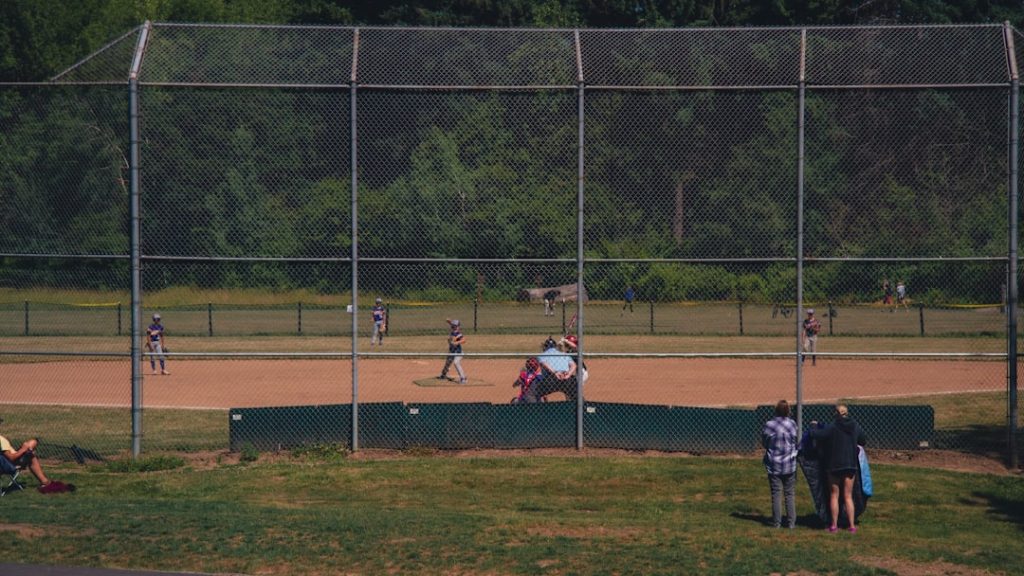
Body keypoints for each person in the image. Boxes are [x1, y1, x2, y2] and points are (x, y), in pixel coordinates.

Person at [810, 405, 867, 533]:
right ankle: (852, 526)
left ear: (836, 414)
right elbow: (863, 440)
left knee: (834, 495)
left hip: (834, 465)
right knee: (848, 496)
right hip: (850, 465)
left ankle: (834, 525)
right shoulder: (854, 426)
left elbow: (816, 435)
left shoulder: (832, 427)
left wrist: (813, 425)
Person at [0, 419, 73, 493]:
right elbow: (11, 458)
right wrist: (23, 449)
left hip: (7, 461)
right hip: (10, 464)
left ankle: (45, 481)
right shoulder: (1, 440)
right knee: (31, 455)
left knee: (32, 442)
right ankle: (45, 482)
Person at [762, 400, 799, 529]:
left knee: (776, 494)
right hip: (789, 463)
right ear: (788, 411)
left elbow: (765, 441)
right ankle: (791, 523)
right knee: (790, 494)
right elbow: (795, 440)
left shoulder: (769, 425)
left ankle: (777, 523)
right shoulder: (792, 424)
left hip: (774, 464)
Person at [438, 318, 467, 384]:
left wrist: (457, 342)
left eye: (456, 326)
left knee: (456, 363)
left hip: (458, 353)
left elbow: (464, 340)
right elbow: (452, 323)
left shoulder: (458, 334)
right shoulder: (453, 331)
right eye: (453, 326)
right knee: (447, 364)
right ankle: (443, 375)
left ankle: (463, 378)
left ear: (458, 327)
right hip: (452, 352)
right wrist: (449, 321)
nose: (454, 327)